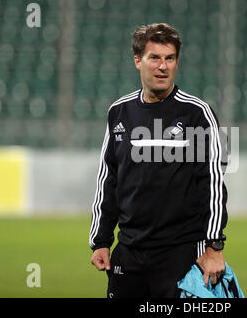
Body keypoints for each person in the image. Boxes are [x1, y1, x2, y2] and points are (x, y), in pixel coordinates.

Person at [89, 23, 228, 298]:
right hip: (128, 252)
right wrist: (101, 240)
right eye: (155, 57)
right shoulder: (119, 111)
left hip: (180, 253)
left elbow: (213, 184)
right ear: (138, 61)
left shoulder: (199, 113)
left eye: (170, 58)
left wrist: (215, 246)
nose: (163, 66)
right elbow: (108, 179)